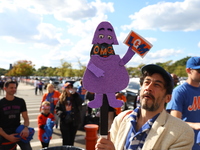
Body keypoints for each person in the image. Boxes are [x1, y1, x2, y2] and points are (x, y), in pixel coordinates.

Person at [95, 64, 194, 150]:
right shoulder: (121, 118)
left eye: (157, 85)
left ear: (168, 98)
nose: (149, 88)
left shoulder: (182, 132)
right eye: (147, 82)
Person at [166, 57, 200, 150]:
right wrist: (195, 125)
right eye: (199, 70)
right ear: (189, 70)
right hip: (186, 143)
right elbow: (175, 121)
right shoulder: (179, 92)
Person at [0, 80, 32, 150]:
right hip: (4, 131)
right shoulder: (1, 103)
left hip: (18, 130)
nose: (14, 89)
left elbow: (26, 118)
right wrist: (7, 136)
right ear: (5, 88)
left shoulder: (20, 101)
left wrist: (26, 128)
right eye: (11, 88)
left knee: (27, 148)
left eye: (15, 88)